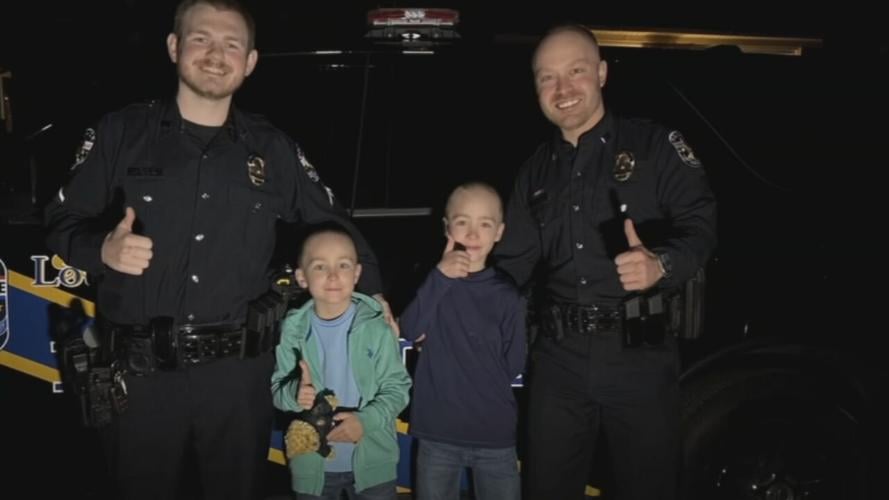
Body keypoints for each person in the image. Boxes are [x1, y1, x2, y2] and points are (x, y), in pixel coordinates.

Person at [43, 1, 396, 498]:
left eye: (232, 44)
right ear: (174, 47)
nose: (216, 54)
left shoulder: (272, 149)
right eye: (201, 39)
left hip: (238, 379)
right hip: (140, 377)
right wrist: (101, 249)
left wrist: (373, 294)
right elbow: (60, 220)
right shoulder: (121, 133)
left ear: (250, 61)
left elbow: (333, 222)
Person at [492, 25, 717, 500]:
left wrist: (662, 263)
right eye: (547, 78)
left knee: (647, 487)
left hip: (639, 354)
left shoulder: (655, 145)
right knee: (546, 487)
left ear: (601, 72)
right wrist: (456, 298)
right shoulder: (534, 169)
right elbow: (512, 265)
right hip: (558, 359)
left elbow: (701, 222)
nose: (563, 89)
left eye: (575, 72)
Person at [399, 182, 526, 500]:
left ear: (499, 232)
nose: (472, 234)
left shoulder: (508, 294)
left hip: (495, 435)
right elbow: (409, 330)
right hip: (437, 434)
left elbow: (515, 363)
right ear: (447, 227)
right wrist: (439, 277)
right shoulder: (432, 281)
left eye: (485, 224)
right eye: (462, 222)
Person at [271, 227, 411, 500]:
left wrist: (365, 421)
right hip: (311, 464)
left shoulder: (377, 328)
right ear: (301, 277)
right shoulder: (292, 329)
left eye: (343, 265)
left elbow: (398, 388)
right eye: (320, 266)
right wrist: (293, 393)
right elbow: (278, 390)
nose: (333, 275)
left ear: (357, 273)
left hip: (374, 463)